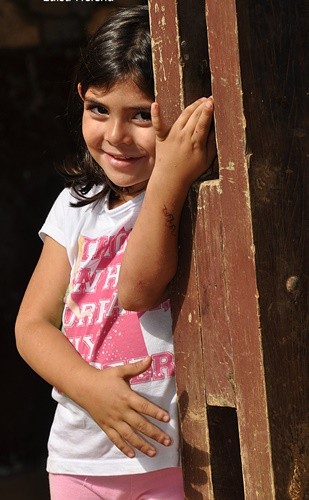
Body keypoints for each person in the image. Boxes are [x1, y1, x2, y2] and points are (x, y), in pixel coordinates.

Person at [15, 5, 215, 500]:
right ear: (80, 98)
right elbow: (32, 325)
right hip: (79, 458)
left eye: (141, 115)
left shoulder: (180, 194)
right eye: (98, 108)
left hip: (169, 458)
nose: (115, 136)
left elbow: (137, 290)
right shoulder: (75, 205)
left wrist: (169, 175)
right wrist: (90, 390)